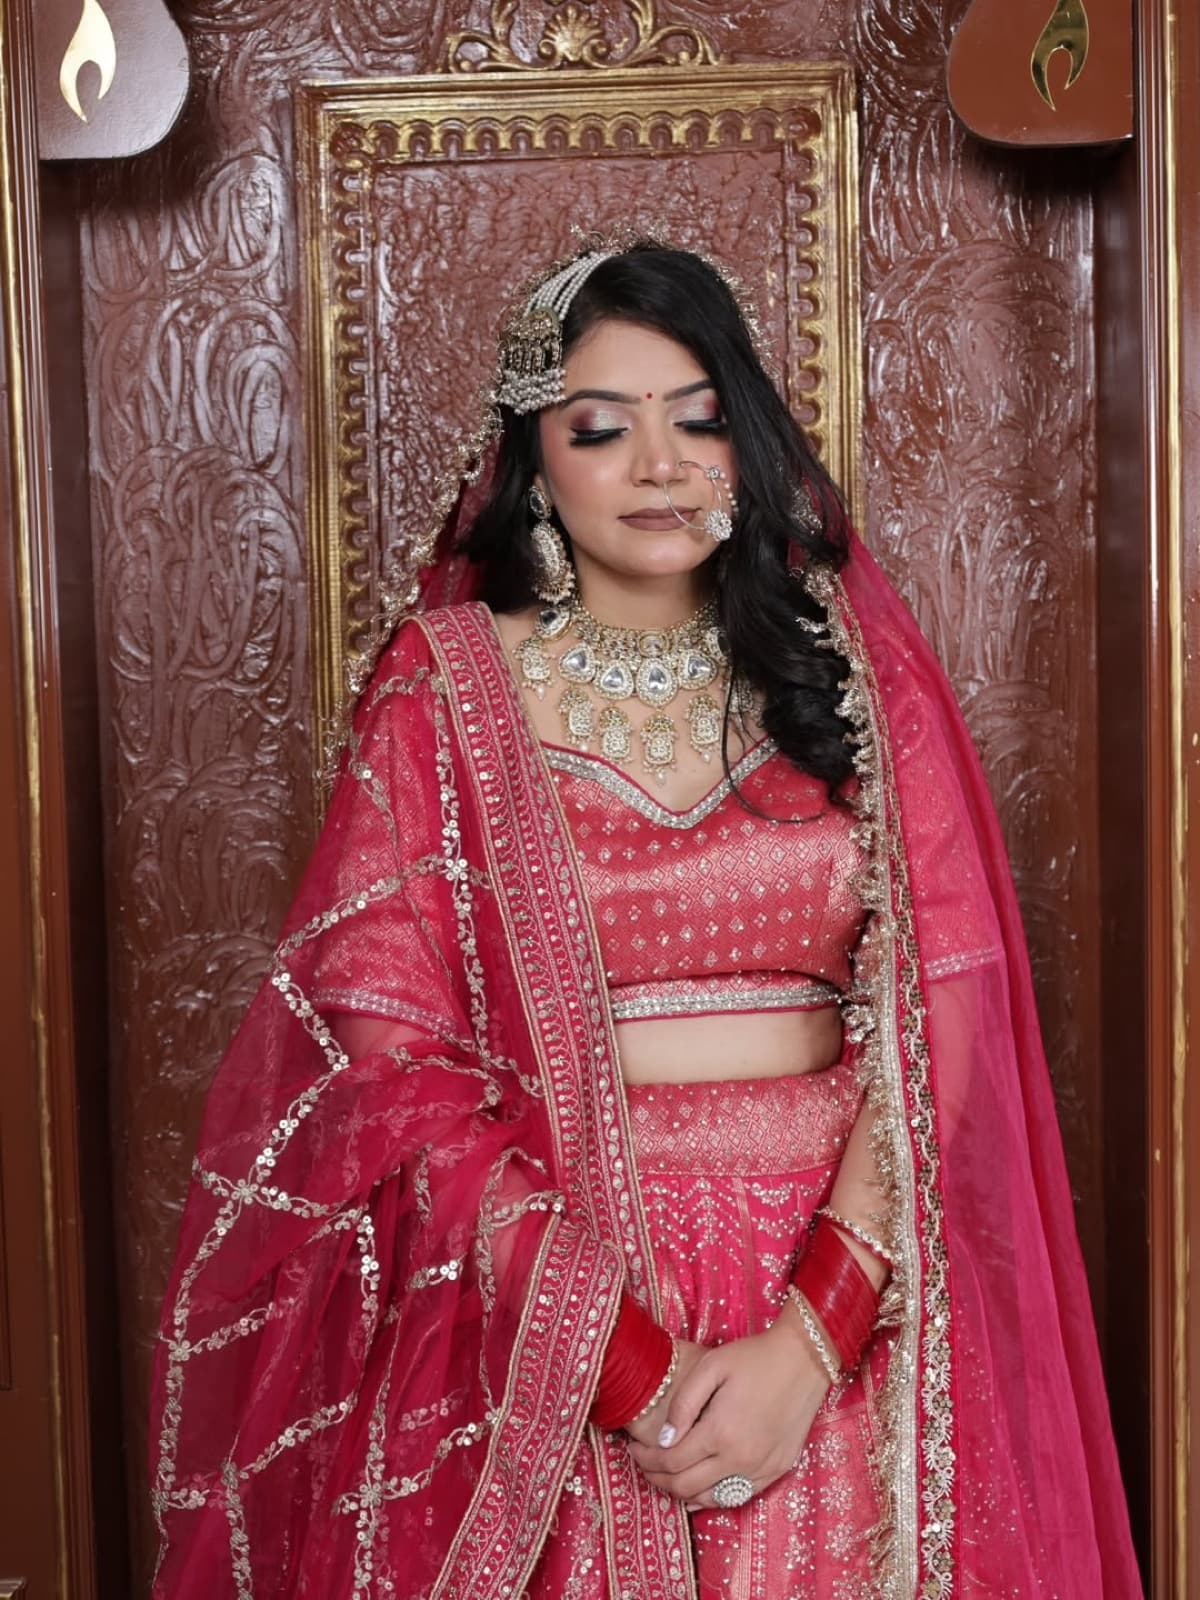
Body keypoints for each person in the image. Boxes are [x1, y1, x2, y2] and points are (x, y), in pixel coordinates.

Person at [149, 234, 1143, 1598]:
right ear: (532, 462)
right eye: (603, 429)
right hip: (549, 1296)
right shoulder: (445, 693)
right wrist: (616, 1359)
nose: (663, 467)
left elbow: (943, 1007)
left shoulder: (844, 678)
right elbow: (390, 1062)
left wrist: (814, 1335)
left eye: (701, 420)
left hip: (843, 1295)